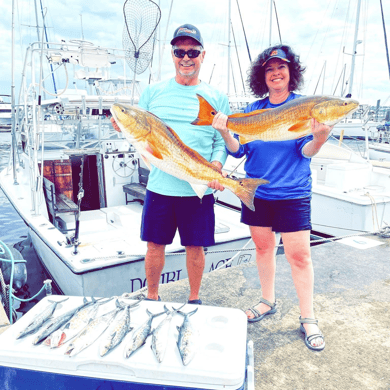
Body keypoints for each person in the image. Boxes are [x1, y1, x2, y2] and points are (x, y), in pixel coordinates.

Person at [211, 44, 331, 351]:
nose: (276, 73)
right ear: (262, 77)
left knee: (299, 257)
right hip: (257, 191)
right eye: (269, 69)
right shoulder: (253, 110)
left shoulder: (304, 107)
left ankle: (308, 318)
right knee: (264, 248)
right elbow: (239, 149)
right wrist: (225, 131)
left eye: (281, 67)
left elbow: (305, 152)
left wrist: (319, 137)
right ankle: (267, 300)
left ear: (291, 73)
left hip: (292, 193)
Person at [113, 24, 230, 304]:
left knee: (195, 247)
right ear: (172, 55)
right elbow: (141, 132)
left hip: (198, 187)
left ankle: (194, 298)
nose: (186, 58)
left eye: (192, 51)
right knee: (154, 246)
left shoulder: (217, 97)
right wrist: (122, 126)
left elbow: (221, 141)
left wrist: (216, 164)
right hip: (160, 186)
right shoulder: (153, 93)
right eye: (180, 52)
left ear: (203, 55)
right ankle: (152, 296)